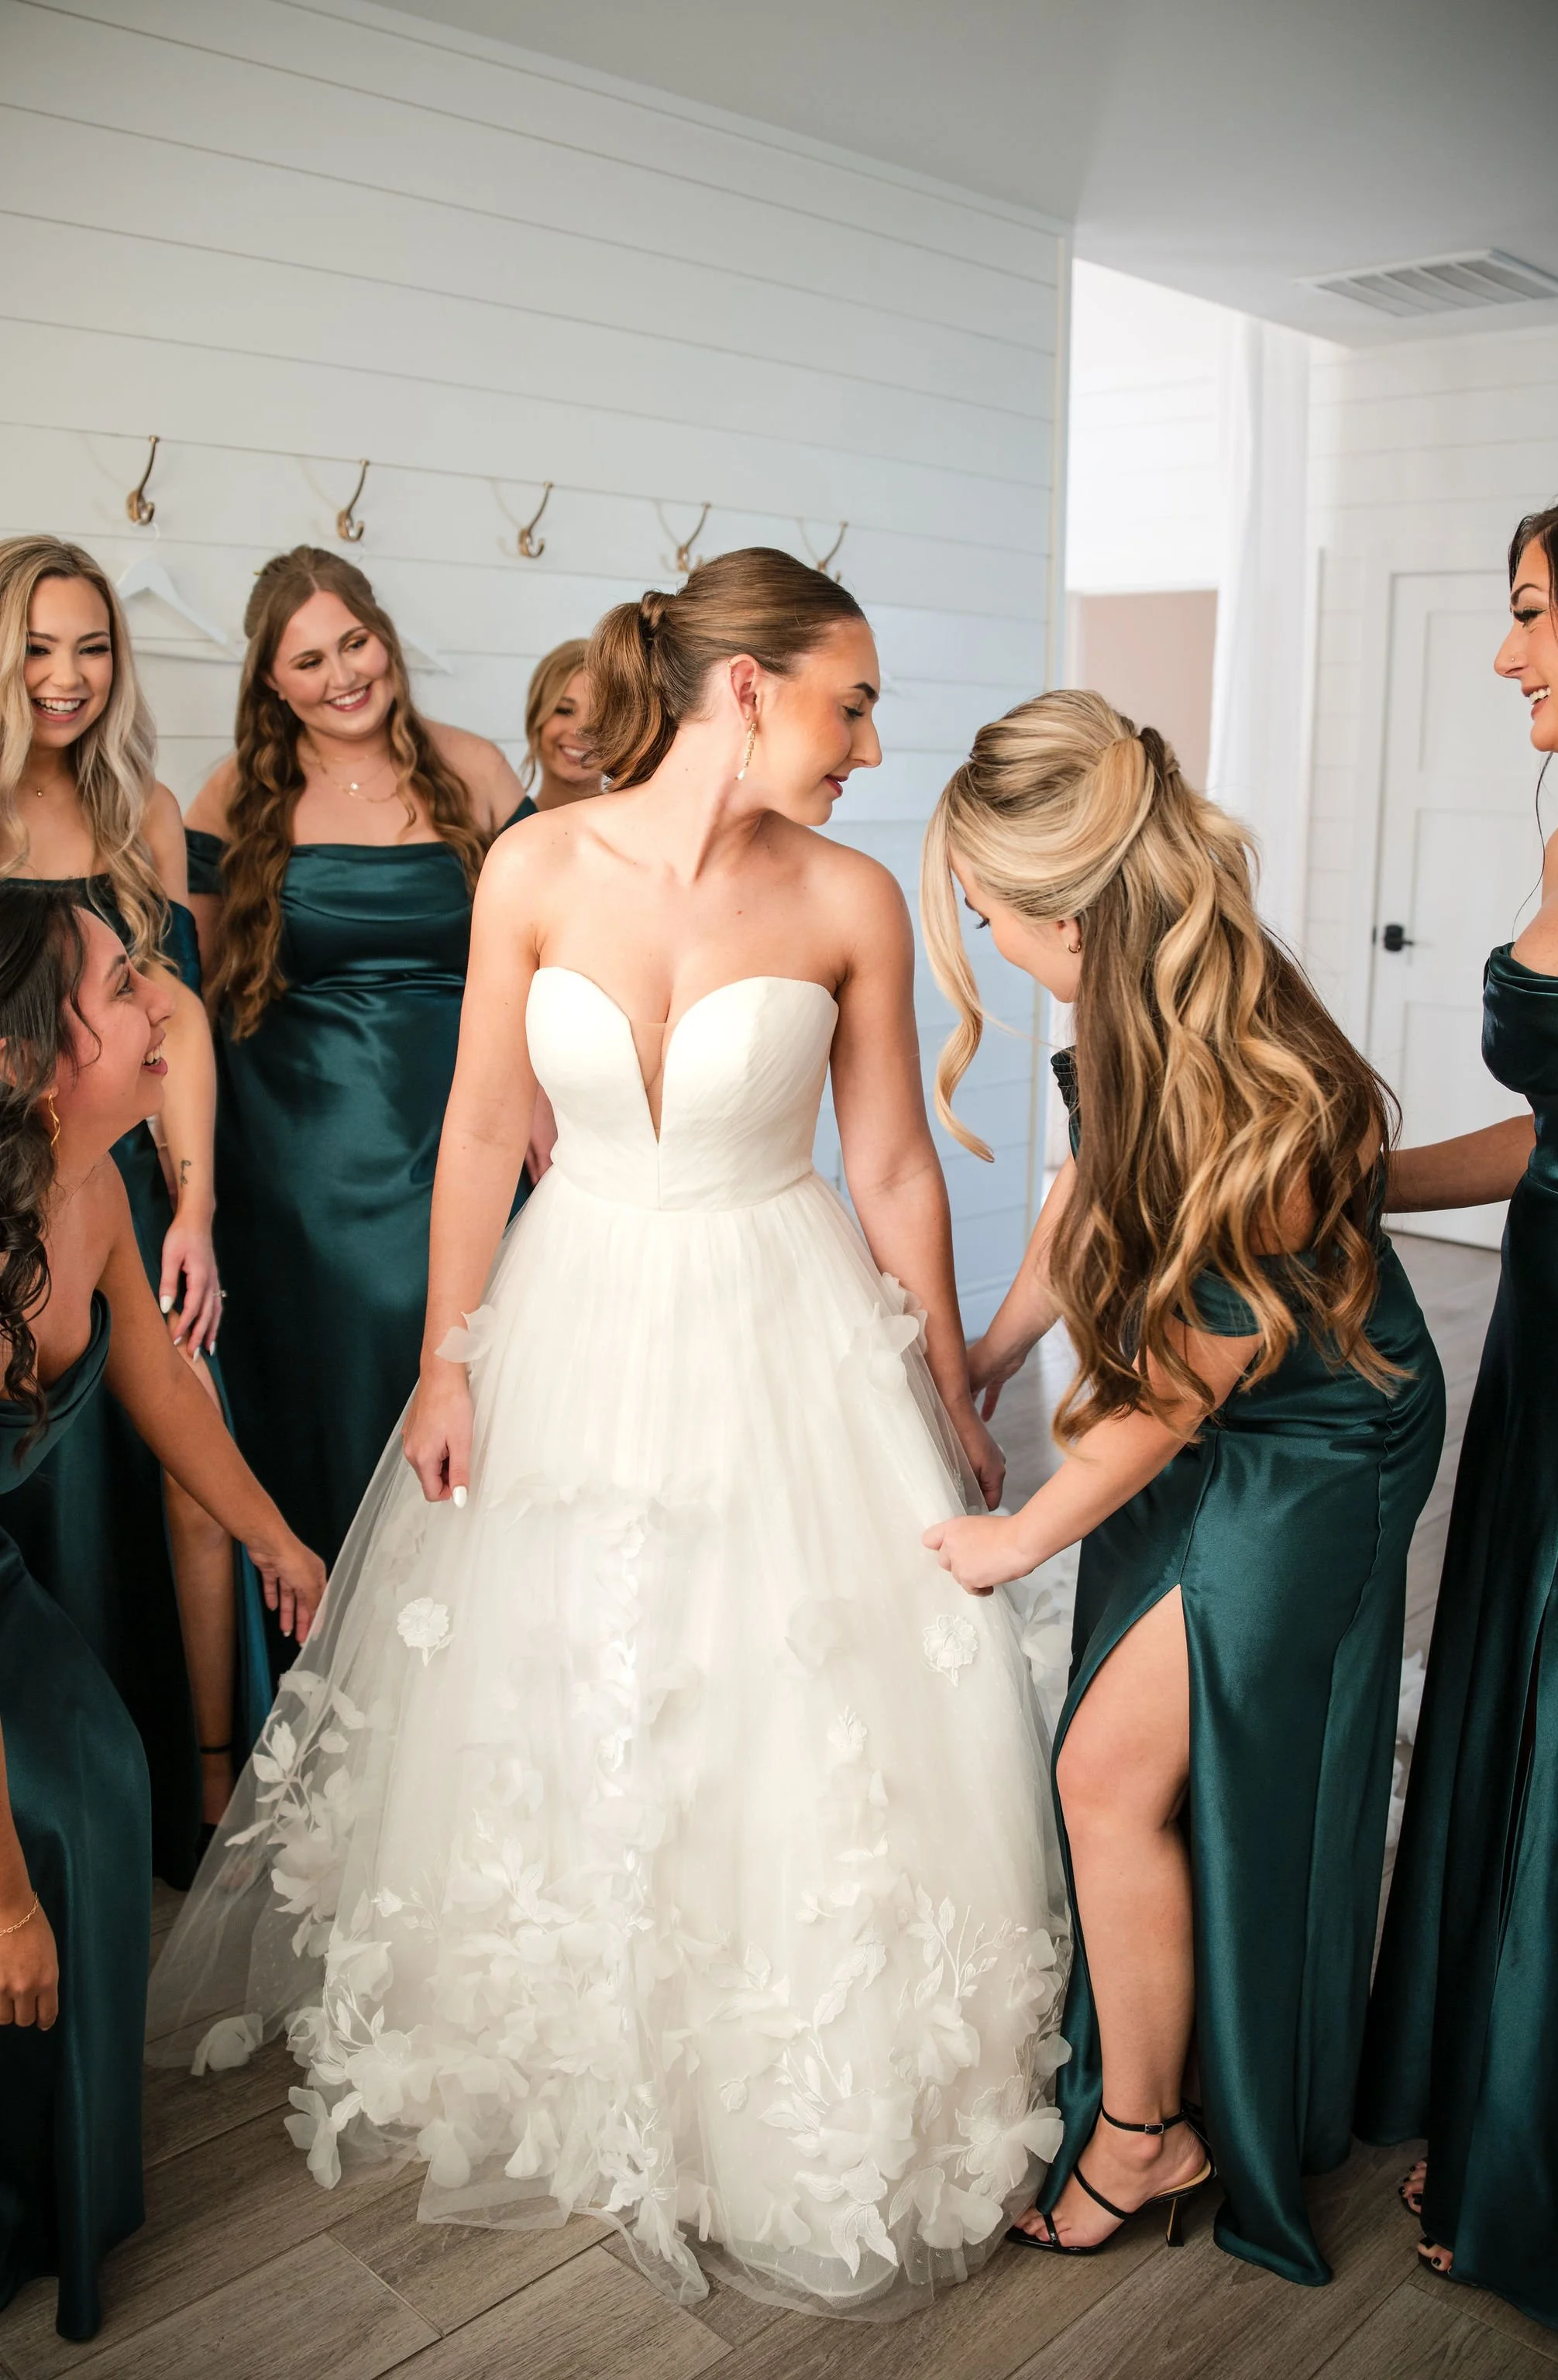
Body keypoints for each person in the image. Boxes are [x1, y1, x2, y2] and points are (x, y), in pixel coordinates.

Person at [149, 549, 1068, 2319]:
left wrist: (947, 1381)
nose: (870, 742)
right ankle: (571, 2032)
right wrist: (443, 1355)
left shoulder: (848, 895)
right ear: (744, 690)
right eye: (847, 700)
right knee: (575, 1660)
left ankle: (764, 2060)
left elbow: (885, 1165)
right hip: (569, 1312)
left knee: (769, 1677)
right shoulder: (533, 862)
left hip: (777, 1314)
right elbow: (485, 1123)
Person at [919, 692, 1444, 2285]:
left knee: (1102, 1773)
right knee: (1128, 1766)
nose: (984, 942)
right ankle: (1162, 2096)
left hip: (1318, 1431)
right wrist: (992, 1355)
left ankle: (1149, 2134)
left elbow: (1177, 1384)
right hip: (1221, 1401)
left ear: (1064, 914)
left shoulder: (1223, 1050)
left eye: (987, 916)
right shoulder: (1136, 999)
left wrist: (1015, 1535)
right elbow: (1086, 1206)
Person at [0, 886, 324, 2340]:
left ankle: (52, 2183)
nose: (162, 1009)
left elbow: (151, 1382)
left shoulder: (86, 1180)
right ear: (25, 1051)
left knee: (109, 1783)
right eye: (125, 988)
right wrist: (3, 1897)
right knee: (41, 1843)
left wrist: (276, 1539)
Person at [1357, 492, 1558, 2334]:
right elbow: (1554, 1132)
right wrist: (1356, 1176)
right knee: (1519, 1664)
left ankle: (1536, 2138)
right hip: (1552, 1313)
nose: (1504, 650)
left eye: (1525, 612)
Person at [0, 534, 270, 1876]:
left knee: (195, 1449)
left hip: (130, 1176)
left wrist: (196, 1202)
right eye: (40, 647)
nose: (68, 676)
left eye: (93, 645)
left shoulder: (143, 812)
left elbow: (176, 1018)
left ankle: (206, 1785)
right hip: (13, 1197)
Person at [184, 548, 528, 1579]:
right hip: (295, 1156)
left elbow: (557, 953)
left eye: (355, 642)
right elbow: (183, 991)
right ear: (269, 682)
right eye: (307, 661)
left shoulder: (473, 768)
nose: (342, 676)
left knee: (474, 1372)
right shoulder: (235, 793)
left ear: (385, 637)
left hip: (464, 1122)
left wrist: (548, 1093)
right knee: (330, 1387)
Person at [521, 638, 602, 809]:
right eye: (564, 710)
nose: (580, 731)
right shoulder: (500, 831)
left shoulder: (646, 832)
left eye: (601, 715)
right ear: (536, 717)